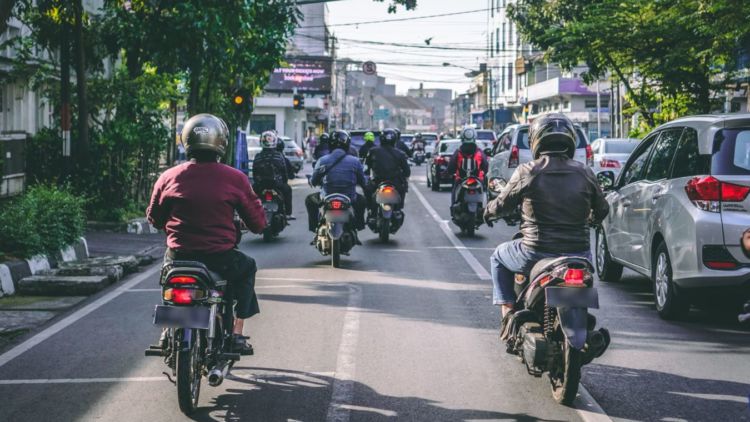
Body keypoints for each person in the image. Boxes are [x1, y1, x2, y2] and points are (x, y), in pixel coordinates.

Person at [147, 113, 266, 355]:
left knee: (168, 273)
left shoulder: (168, 177)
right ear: (221, 143)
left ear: (186, 140)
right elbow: (258, 223)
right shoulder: (236, 178)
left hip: (179, 254)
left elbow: (155, 218)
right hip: (219, 256)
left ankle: (167, 329)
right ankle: (236, 333)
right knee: (247, 267)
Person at [483, 113, 609, 325]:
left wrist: (488, 212)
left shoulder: (528, 171)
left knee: (498, 256)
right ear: (570, 139)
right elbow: (603, 209)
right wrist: (591, 219)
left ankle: (509, 310)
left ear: (536, 139)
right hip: (580, 254)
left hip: (535, 252)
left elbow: (502, 205)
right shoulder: (585, 172)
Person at [306, 130, 367, 233]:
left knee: (309, 200)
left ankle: (314, 228)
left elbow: (314, 181)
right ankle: (359, 225)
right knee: (362, 201)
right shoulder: (355, 161)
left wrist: (311, 181)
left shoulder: (322, 160)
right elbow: (362, 181)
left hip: (326, 196)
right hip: (349, 197)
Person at [364, 128, 410, 219]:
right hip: (395, 182)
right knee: (403, 188)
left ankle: (372, 212)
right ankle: (397, 210)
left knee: (368, 191)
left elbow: (366, 168)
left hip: (377, 181)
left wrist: (367, 177)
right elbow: (407, 172)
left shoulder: (373, 151)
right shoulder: (400, 154)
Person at [252, 131, 294, 219]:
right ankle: (288, 214)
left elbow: (254, 173)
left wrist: (257, 182)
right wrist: (284, 182)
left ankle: (250, 214)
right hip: (277, 185)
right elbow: (284, 172)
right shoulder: (279, 156)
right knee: (287, 189)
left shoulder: (258, 156)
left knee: (251, 196)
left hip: (260, 185)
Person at [447, 127, 489, 212]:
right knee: (485, 190)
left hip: (461, 180)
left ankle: (453, 207)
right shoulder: (479, 152)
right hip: (478, 180)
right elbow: (486, 166)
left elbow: (451, 166)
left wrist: (449, 172)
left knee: (454, 190)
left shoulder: (458, 152)